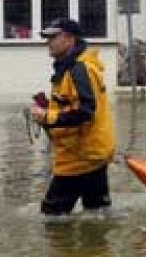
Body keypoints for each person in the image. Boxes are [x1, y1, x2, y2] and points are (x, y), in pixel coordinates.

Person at [26, 18, 116, 215]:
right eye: (47, 38)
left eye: (53, 37)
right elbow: (72, 104)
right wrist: (48, 108)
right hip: (92, 154)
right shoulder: (70, 68)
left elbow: (86, 111)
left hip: (79, 157)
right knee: (97, 213)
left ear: (69, 39)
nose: (48, 42)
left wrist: (48, 117)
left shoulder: (78, 69)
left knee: (51, 219)